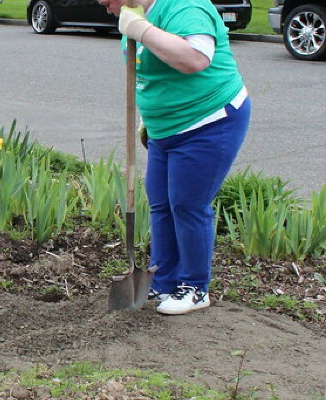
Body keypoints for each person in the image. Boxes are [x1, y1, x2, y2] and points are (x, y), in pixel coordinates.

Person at [97, 0, 251, 314]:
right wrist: (150, 119)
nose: (103, 5)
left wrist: (142, 31)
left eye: (106, 0)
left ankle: (195, 288)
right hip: (164, 128)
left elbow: (195, 59)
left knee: (187, 204)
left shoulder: (185, 6)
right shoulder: (134, 14)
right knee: (161, 202)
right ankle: (164, 281)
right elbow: (149, 71)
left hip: (208, 121)